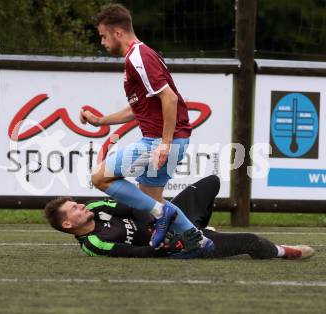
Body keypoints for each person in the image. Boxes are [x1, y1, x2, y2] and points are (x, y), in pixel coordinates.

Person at [80, 3, 199, 249]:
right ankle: (199, 240)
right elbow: (140, 109)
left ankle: (164, 217)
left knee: (100, 178)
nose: (102, 42)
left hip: (159, 141)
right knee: (150, 201)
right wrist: (101, 121)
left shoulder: (138, 57)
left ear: (118, 33)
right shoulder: (139, 56)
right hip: (173, 139)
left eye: (103, 36)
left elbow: (170, 98)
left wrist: (163, 144)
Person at [44, 175, 315, 259]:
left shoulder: (100, 206)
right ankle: (282, 252)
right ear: (68, 224)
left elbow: (137, 205)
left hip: (170, 221)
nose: (80, 206)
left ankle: (199, 226)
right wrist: (162, 245)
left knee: (211, 182)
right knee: (252, 241)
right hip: (181, 246)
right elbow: (138, 254)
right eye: (74, 209)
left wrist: (160, 219)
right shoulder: (94, 243)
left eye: (77, 203)